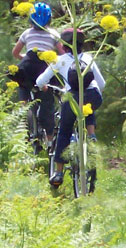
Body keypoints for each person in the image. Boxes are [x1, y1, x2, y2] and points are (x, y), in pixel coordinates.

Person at [35, 28, 106, 187]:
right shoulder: (88, 57)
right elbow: (102, 84)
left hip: (72, 98)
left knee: (64, 131)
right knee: (88, 106)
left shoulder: (59, 61)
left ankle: (59, 172)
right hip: (94, 95)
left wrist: (43, 86)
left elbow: (40, 81)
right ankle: (92, 134)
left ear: (63, 44)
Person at [9, 1, 60, 142]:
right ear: (50, 19)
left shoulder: (27, 33)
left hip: (28, 66)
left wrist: (23, 57)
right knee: (47, 104)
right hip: (45, 69)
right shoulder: (53, 34)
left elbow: (15, 52)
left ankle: (23, 109)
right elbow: (62, 53)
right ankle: (50, 140)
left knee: (22, 82)